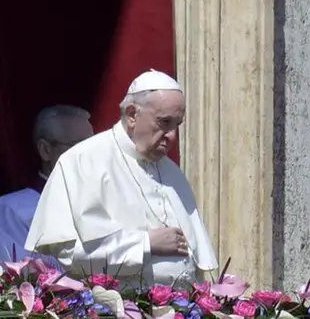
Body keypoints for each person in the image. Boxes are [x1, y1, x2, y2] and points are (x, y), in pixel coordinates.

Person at [25, 70, 218, 287]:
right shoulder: (83, 160)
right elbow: (70, 254)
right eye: (164, 122)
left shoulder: (172, 171)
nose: (172, 135)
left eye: (177, 124)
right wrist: (146, 244)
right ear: (132, 114)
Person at [0, 105, 93, 261]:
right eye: (79, 146)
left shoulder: (106, 204)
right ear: (46, 150)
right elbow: (22, 279)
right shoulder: (12, 211)